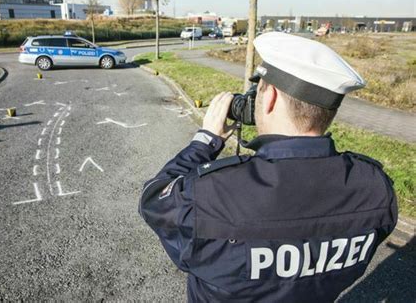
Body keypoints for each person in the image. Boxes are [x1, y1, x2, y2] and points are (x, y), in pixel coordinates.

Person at [139, 32, 398, 302]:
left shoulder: (213, 193)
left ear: (271, 97)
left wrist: (204, 142)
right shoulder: (375, 188)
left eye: (258, 92)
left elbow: (153, 201)